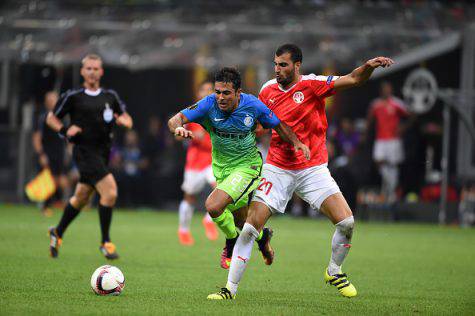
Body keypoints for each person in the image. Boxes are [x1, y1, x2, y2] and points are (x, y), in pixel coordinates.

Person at [207, 44, 393, 300]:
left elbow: (353, 78)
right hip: (277, 168)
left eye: (283, 65)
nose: (278, 69)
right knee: (250, 228)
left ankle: (334, 271)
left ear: (297, 65)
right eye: (275, 64)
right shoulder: (267, 90)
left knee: (347, 222)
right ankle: (229, 289)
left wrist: (368, 67)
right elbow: (261, 123)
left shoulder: (313, 84)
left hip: (312, 169)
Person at [168, 67, 309, 269]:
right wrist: (179, 128)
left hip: (247, 167)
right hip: (221, 169)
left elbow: (277, 124)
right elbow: (174, 120)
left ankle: (231, 241)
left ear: (238, 93)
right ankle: (263, 237)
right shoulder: (208, 104)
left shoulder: (252, 105)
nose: (221, 97)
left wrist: (296, 143)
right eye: (217, 92)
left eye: (226, 93)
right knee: (242, 221)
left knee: (214, 206)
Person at [46, 54, 133, 259]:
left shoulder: (110, 96)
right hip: (84, 152)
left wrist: (125, 121)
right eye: (89, 68)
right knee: (110, 192)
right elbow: (52, 118)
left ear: (101, 72)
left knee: (81, 197)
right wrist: (65, 130)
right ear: (82, 71)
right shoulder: (73, 96)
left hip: (103, 153)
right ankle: (105, 242)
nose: (92, 72)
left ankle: (57, 232)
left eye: (96, 68)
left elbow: (126, 118)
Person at [177, 80, 219, 246]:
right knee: (189, 197)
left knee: (221, 190)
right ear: (199, 93)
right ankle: (184, 230)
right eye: (205, 90)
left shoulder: (220, 112)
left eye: (211, 90)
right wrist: (188, 134)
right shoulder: (192, 112)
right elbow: (177, 133)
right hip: (195, 162)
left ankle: (209, 220)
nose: (208, 93)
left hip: (213, 161)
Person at [367, 82, 410, 204]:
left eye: (388, 89)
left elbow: (411, 114)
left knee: (393, 164)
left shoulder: (397, 103)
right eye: (384, 89)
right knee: (379, 161)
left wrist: (404, 127)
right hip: (381, 139)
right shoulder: (375, 104)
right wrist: (365, 134)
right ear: (381, 91)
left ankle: (391, 192)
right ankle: (389, 186)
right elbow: (369, 120)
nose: (387, 91)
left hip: (394, 140)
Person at [32, 91, 69, 217]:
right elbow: (37, 137)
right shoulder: (43, 117)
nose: (54, 102)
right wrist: (41, 154)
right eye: (51, 100)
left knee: (61, 180)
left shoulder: (63, 117)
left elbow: (66, 136)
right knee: (49, 180)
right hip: (48, 154)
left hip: (60, 153)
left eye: (55, 99)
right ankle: (45, 206)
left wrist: (68, 151)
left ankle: (59, 202)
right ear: (47, 102)